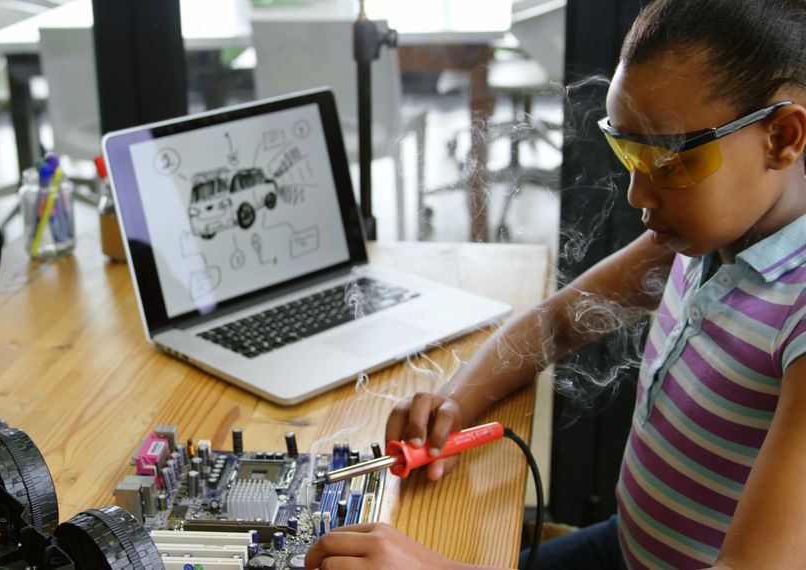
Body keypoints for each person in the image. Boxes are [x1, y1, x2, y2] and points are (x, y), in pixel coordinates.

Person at [306, 0, 806, 568]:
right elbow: (556, 322)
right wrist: (451, 403)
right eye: (627, 150)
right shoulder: (698, 241)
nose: (637, 195)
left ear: (781, 137)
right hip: (627, 543)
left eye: (666, 160)